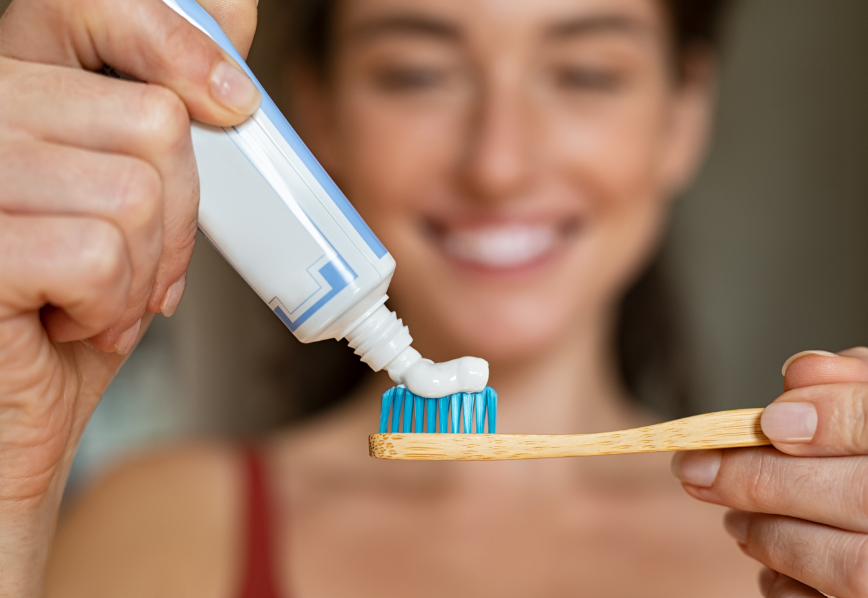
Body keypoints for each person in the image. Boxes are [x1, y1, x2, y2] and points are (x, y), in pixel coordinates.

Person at [0, 0, 865, 596]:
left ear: (683, 115)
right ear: (318, 113)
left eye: (586, 74)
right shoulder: (161, 526)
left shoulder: (810, 555)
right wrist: (13, 456)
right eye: (417, 73)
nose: (499, 163)